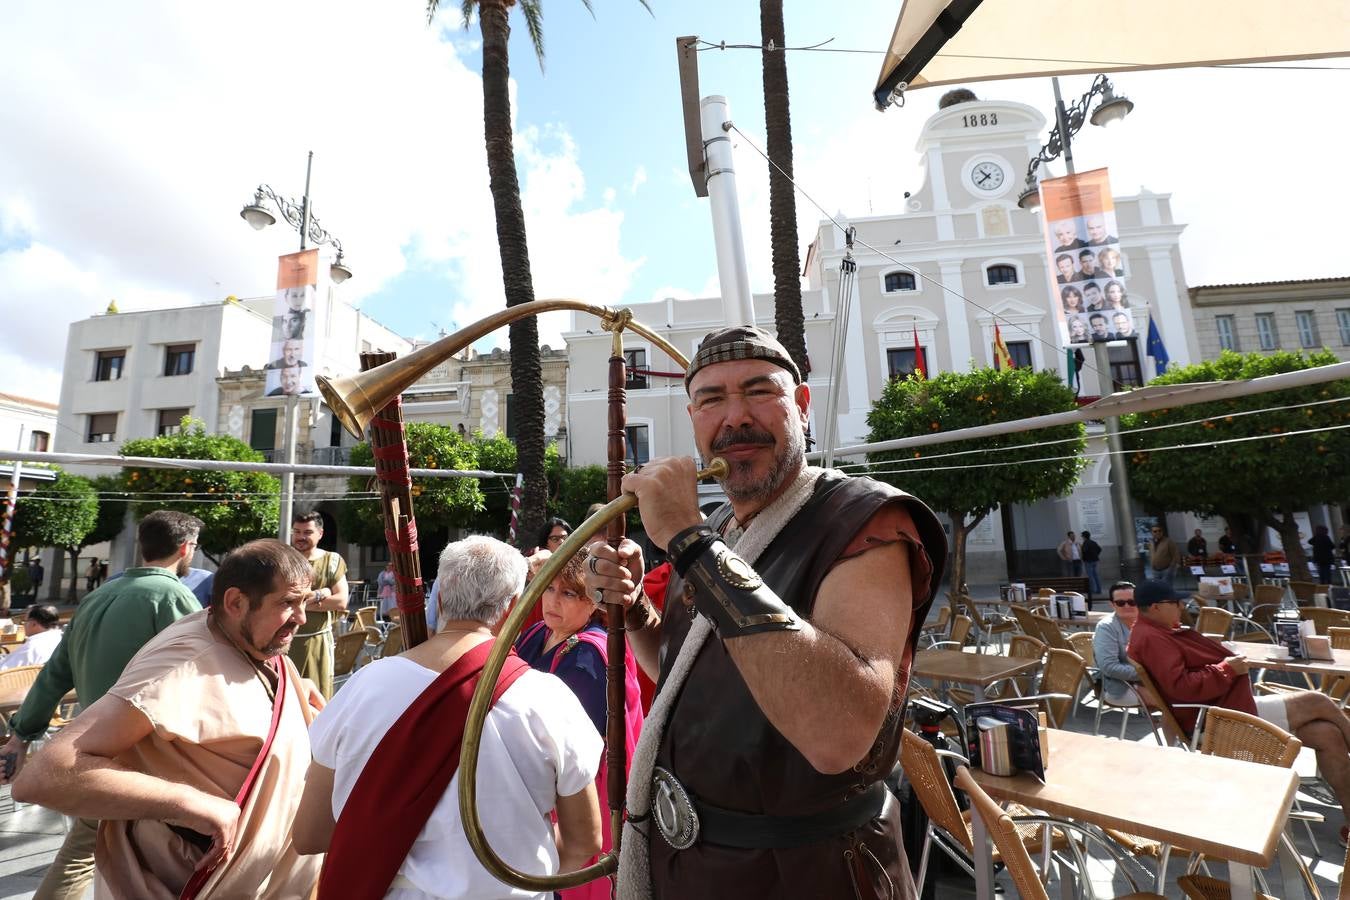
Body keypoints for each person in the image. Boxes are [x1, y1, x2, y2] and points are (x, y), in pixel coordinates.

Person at [583, 325, 946, 899]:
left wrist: (688, 541)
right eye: (711, 399)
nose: (735, 417)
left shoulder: (866, 522)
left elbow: (838, 733)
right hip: (693, 869)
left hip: (811, 874)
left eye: (758, 392)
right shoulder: (720, 536)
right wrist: (633, 612)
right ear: (694, 419)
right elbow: (685, 676)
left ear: (801, 405)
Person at [12, 539, 326, 898]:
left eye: (305, 602)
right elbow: (44, 775)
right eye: (287, 603)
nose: (301, 617)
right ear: (235, 603)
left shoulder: (250, 641)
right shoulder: (182, 663)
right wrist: (189, 803)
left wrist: (287, 689)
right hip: (187, 882)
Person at [293, 535, 603, 898]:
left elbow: (309, 834)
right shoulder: (550, 698)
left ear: (439, 599)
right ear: (514, 608)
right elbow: (585, 842)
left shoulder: (362, 687)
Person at [0, 510, 204, 900]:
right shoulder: (174, 596)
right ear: (185, 547)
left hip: (95, 750)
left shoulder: (97, 596)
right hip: (148, 755)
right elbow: (202, 668)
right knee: (97, 853)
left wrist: (21, 735)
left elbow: (54, 675)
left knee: (93, 849)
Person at [1128, 579, 1350, 845]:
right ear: (1155, 607)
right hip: (1221, 720)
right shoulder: (1152, 637)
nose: (1181, 607)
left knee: (1327, 734)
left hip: (1223, 710)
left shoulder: (1151, 632)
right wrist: (1227, 668)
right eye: (1175, 603)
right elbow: (1182, 687)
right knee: (1317, 700)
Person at [516, 550, 643, 900]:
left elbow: (570, 751)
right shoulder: (538, 632)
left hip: (575, 798)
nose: (553, 600)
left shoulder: (588, 656)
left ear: (593, 602)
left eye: (569, 593)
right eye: (550, 587)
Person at [288, 512, 349, 699]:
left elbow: (341, 601)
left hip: (317, 643)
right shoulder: (284, 560)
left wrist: (299, 602)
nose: (300, 537)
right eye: (296, 531)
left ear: (320, 533)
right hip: (284, 641)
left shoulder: (332, 561)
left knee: (317, 699)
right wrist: (322, 594)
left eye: (307, 532)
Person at [1091, 582, 1154, 706]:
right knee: (1171, 704)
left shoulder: (1149, 622)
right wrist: (1148, 675)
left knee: (1185, 695)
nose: (1127, 606)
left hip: (1150, 681)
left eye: (1132, 602)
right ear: (1112, 604)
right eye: (1120, 603)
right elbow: (1109, 667)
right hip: (1118, 686)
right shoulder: (1106, 627)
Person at [0, 605, 63, 671]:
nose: (23, 624)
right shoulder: (60, 638)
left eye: (25, 621)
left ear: (34, 624)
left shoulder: (32, 647)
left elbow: (4, 669)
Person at [1080, 531, 1102, 597]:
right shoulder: (1093, 542)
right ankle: (1099, 590)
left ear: (1084, 536)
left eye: (1082, 536)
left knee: (1090, 576)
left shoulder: (1085, 543)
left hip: (1088, 561)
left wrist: (1084, 557)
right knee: (1096, 575)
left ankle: (1093, 590)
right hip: (1095, 560)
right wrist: (1096, 555)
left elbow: (1084, 551)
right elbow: (1099, 549)